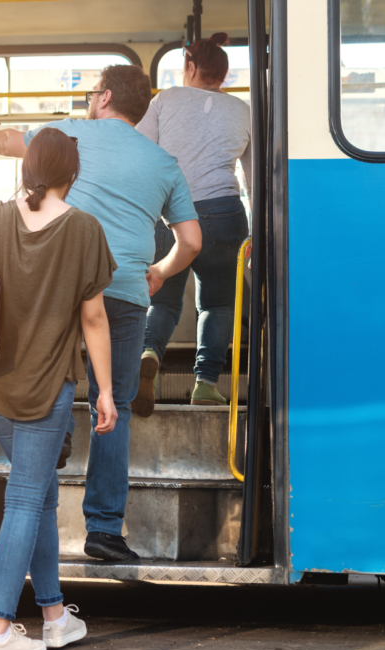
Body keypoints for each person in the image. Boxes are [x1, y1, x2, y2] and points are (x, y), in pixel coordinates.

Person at [0, 65, 201, 562]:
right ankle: (105, 530)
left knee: (53, 381)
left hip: (60, 284)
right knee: (118, 405)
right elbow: (191, 240)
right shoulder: (164, 162)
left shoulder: (70, 135)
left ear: (104, 97)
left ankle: (58, 438)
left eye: (92, 93)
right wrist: (159, 272)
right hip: (126, 290)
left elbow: (7, 141)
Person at [0, 127, 116, 650]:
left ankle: (52, 615)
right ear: (74, 174)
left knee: (41, 495)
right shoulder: (84, 230)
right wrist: (106, 393)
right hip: (46, 389)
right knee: (26, 497)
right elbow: (93, 318)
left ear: (26, 169)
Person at [133, 33, 252, 414]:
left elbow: (140, 151)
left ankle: (149, 353)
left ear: (189, 67)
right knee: (218, 304)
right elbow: (254, 178)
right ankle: (205, 383)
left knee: (163, 299)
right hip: (224, 213)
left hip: (170, 212)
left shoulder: (165, 99)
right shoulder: (243, 111)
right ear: (224, 74)